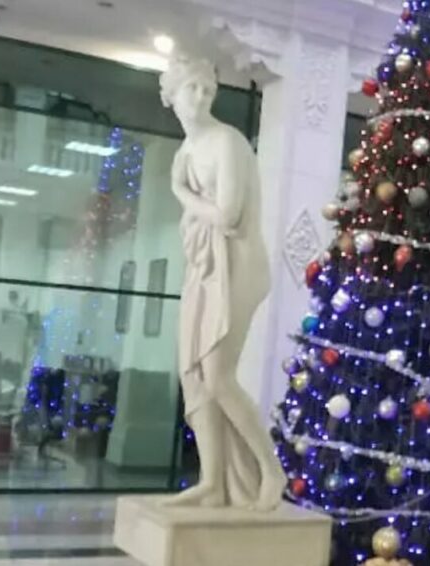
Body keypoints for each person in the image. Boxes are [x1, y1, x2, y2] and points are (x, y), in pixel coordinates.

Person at [158, 55, 284, 511]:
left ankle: (271, 470)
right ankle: (212, 482)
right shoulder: (186, 151)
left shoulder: (227, 142)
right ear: (171, 96)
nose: (202, 97)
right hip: (204, 268)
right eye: (192, 88)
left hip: (237, 266)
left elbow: (228, 216)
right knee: (195, 377)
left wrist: (180, 191)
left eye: (208, 90)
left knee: (218, 375)